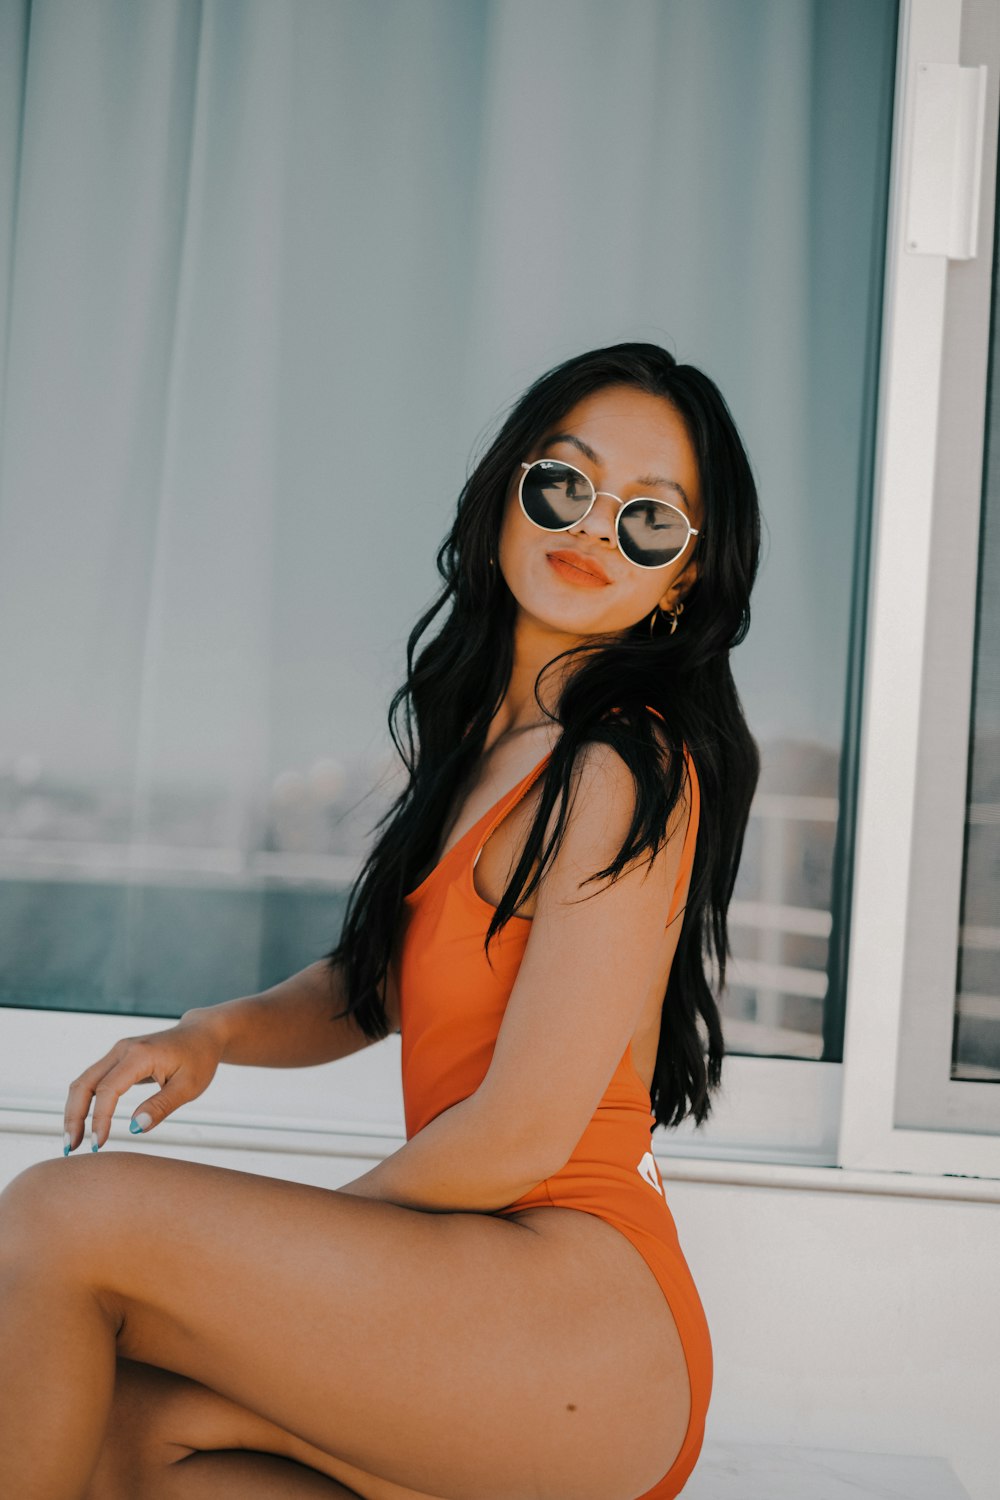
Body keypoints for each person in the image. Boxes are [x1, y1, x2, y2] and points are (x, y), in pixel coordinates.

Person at [0, 341, 760, 1500]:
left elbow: (521, 1135)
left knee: (63, 1218)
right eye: (565, 483)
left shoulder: (624, 764)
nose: (594, 527)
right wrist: (211, 1033)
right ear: (506, 489)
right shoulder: (491, 756)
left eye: (650, 520)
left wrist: (270, 1279)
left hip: (584, 1327)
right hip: (489, 1299)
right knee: (120, 1439)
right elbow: (374, 990)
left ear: (683, 583)